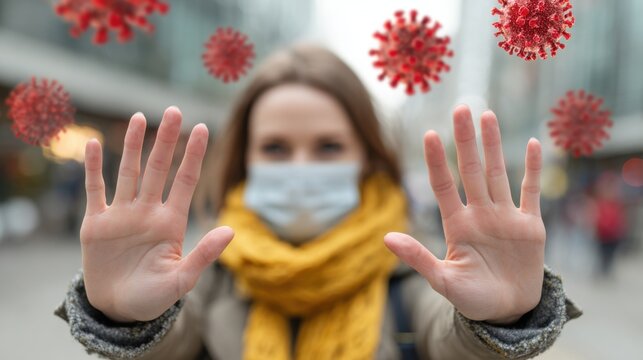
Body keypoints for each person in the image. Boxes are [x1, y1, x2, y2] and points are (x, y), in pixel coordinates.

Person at [56, 44, 581, 360]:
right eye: (276, 148)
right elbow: (175, 344)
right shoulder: (203, 277)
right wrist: (129, 321)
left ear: (368, 158)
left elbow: (449, 340)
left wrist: (499, 321)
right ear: (245, 162)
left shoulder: (420, 274)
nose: (301, 166)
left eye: (328, 147)